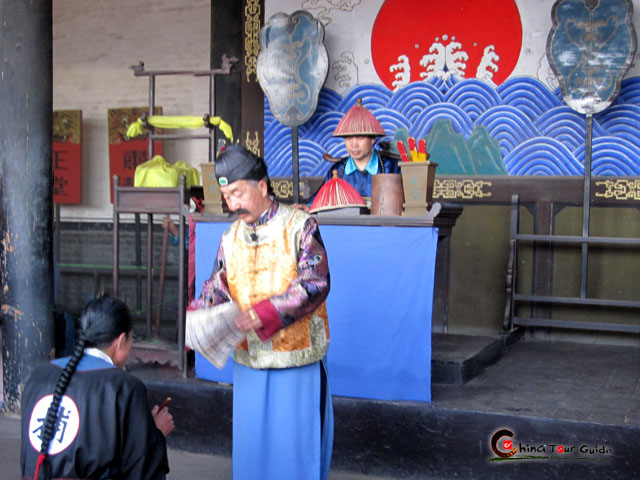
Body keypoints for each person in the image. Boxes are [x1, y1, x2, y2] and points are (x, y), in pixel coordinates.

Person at [191, 144, 333, 480]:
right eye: (226, 195)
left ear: (262, 187)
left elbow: (315, 282)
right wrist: (198, 315)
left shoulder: (300, 225)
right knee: (252, 448)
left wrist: (266, 313)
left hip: (295, 356)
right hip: (250, 358)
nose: (232, 204)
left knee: (293, 448)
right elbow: (217, 286)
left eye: (237, 193)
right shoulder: (230, 237)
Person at [21, 295, 174, 480]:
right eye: (131, 340)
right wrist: (155, 434)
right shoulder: (124, 387)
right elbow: (141, 467)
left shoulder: (40, 376)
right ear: (120, 341)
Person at [322, 98, 400, 198]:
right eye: (349, 138)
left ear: (372, 139)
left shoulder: (392, 168)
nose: (354, 144)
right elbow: (319, 199)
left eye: (360, 138)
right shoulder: (338, 170)